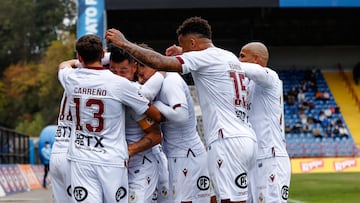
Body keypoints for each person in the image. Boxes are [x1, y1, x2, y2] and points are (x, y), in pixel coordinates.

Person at [106, 16, 257, 203]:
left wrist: (124, 43)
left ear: (193, 42)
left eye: (184, 45)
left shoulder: (175, 77)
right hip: (245, 136)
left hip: (224, 140)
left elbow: (161, 63)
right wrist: (184, 53)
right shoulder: (228, 56)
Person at [58, 34, 162, 203]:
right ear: (103, 55)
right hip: (111, 160)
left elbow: (63, 65)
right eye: (115, 70)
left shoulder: (70, 78)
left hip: (82, 158)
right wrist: (161, 73)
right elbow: (157, 116)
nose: (119, 74)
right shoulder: (122, 86)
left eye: (123, 71)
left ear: (79, 57)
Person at [137, 43, 214, 203]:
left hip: (186, 154)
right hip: (179, 154)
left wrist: (156, 106)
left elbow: (181, 115)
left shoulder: (171, 81)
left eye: (142, 73)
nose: (141, 78)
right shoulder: (160, 81)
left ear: (151, 64)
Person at [109, 45, 164, 203]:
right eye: (113, 71)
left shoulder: (134, 94)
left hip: (141, 165)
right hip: (115, 167)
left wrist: (127, 151)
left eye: (123, 72)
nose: (118, 77)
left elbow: (155, 135)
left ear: (134, 67)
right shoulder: (105, 87)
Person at [238, 42, 291, 203]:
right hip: (252, 159)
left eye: (242, 55)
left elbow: (253, 71)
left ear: (256, 59)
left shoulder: (270, 78)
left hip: (270, 158)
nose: (238, 59)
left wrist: (223, 60)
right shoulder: (247, 85)